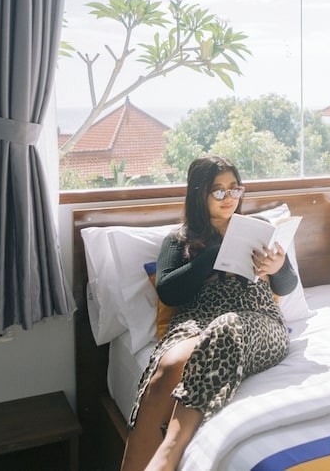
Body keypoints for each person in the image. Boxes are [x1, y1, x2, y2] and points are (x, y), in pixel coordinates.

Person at [120, 155, 298, 471]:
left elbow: (287, 285)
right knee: (170, 364)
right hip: (197, 319)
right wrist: (213, 255)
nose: (229, 197)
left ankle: (169, 453)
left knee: (227, 326)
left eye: (235, 189)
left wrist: (278, 266)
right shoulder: (179, 239)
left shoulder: (260, 229)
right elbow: (169, 291)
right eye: (218, 191)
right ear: (199, 194)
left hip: (257, 318)